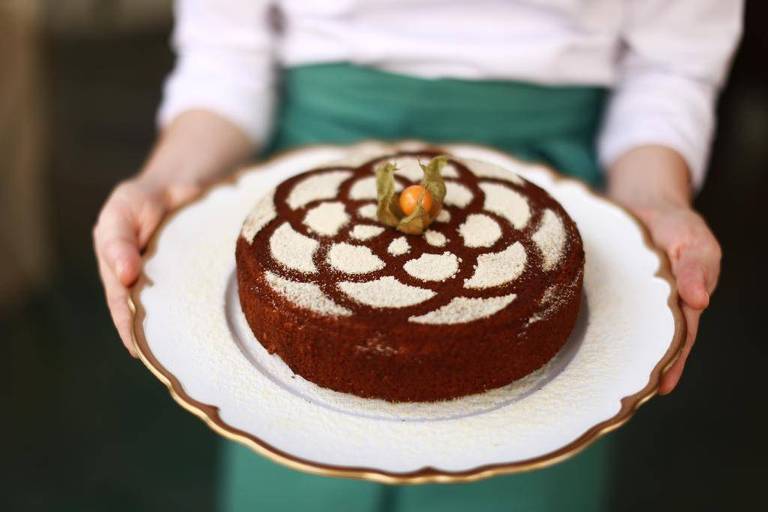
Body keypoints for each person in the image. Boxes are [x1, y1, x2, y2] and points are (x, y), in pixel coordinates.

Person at [93, 1, 741, 510]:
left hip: (543, 213)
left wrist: (654, 198)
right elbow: (226, 57)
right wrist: (166, 177)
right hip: (307, 206)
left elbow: (673, 61)